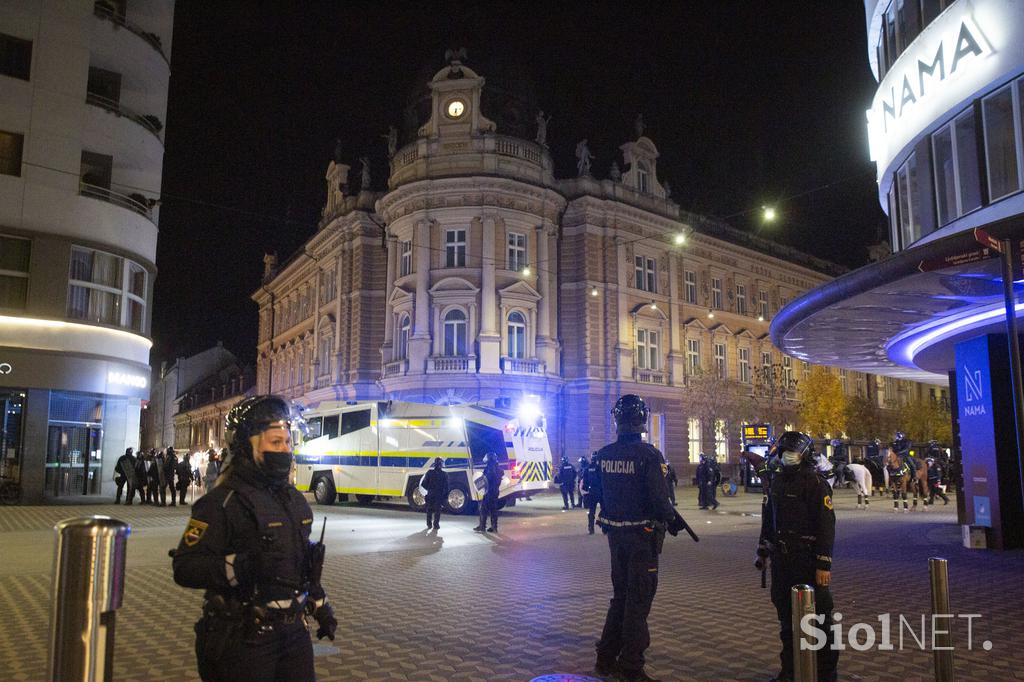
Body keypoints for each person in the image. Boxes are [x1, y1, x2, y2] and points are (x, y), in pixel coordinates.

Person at [172, 395, 336, 681]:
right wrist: (239, 568)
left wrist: (320, 606)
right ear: (247, 446)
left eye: (287, 442)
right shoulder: (222, 502)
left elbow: (297, 563)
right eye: (275, 442)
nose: (285, 450)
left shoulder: (294, 501)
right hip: (245, 638)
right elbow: (185, 567)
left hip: (294, 635)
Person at [593, 394, 687, 682]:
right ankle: (631, 666)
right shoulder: (649, 455)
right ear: (642, 420)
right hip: (641, 539)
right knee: (638, 601)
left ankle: (606, 658)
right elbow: (660, 501)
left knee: (620, 597)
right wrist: (672, 520)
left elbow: (595, 494)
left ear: (617, 420)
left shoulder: (604, 454)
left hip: (615, 537)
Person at [756, 431, 838, 682]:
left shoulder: (815, 483)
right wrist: (763, 549)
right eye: (784, 453)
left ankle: (825, 674)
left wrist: (824, 563)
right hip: (783, 560)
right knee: (787, 621)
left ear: (804, 455)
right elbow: (769, 519)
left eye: (792, 453)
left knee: (821, 620)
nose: (787, 457)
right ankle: (789, 672)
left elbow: (826, 525)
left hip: (808, 559)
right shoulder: (777, 482)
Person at [473, 452, 503, 533]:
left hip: (489, 492)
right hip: (495, 491)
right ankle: (494, 527)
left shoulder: (490, 468)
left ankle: (482, 526)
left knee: (483, 509)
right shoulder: (498, 469)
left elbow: (486, 479)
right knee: (493, 510)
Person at [421, 457, 449, 529]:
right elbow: (446, 487)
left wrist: (429, 489)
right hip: (439, 495)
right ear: (441, 465)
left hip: (430, 494)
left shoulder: (429, 473)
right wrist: (445, 496)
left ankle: (429, 524)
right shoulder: (444, 474)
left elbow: (423, 484)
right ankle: (436, 524)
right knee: (438, 510)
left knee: (429, 509)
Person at [581, 452, 601, 535]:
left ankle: (591, 528)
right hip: (600, 492)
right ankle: (603, 526)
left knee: (591, 511)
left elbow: (585, 481)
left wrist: (585, 491)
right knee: (604, 510)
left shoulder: (587, 468)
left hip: (591, 492)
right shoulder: (601, 468)